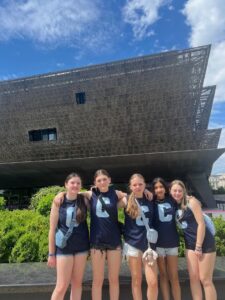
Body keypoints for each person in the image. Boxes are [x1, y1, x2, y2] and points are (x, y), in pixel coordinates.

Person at [170, 180, 217, 300]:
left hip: (204, 243)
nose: (177, 193)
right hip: (189, 244)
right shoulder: (175, 204)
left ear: (184, 191)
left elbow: (201, 224)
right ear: (170, 191)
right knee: (194, 278)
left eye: (180, 191)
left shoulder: (192, 201)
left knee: (205, 280)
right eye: (174, 190)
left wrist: (198, 246)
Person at [47, 173, 89, 300]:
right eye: (72, 183)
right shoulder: (58, 201)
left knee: (77, 284)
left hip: (81, 247)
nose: (75, 185)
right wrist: (51, 254)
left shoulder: (84, 199)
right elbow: (52, 229)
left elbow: (99, 191)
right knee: (61, 286)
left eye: (78, 183)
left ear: (81, 185)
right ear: (66, 184)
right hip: (64, 248)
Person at [123, 173, 158, 300]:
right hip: (133, 244)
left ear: (145, 185)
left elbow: (172, 194)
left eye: (140, 184)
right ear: (130, 186)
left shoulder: (151, 198)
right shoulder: (126, 199)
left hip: (149, 245)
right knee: (136, 280)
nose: (138, 187)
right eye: (135, 185)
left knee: (153, 282)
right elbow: (110, 198)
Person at [152, 177, 181, 300]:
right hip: (158, 244)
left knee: (174, 276)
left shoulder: (172, 200)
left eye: (161, 187)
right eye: (156, 187)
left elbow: (183, 199)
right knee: (163, 275)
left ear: (165, 188)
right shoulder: (151, 202)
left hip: (172, 242)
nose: (159, 190)